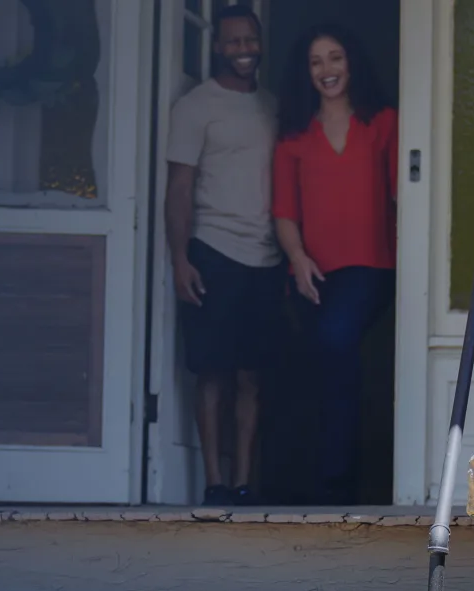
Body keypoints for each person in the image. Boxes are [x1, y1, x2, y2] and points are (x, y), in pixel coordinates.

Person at [272, 24, 398, 506]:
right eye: (316, 62)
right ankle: (328, 480)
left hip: (371, 266)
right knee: (324, 370)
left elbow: (403, 195)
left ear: (352, 63)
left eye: (335, 58)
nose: (327, 70)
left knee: (335, 343)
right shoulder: (293, 137)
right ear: (306, 73)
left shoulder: (384, 122)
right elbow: (284, 211)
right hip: (311, 275)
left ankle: (336, 482)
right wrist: (298, 259)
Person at [165, 4, 284, 506]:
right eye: (233, 43)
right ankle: (214, 483)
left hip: (267, 257)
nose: (243, 51)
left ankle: (244, 483)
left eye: (249, 41)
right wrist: (179, 259)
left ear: (259, 44)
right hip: (212, 249)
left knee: (252, 375)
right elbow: (179, 188)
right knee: (212, 370)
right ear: (218, 47)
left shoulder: (274, 105)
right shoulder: (195, 106)